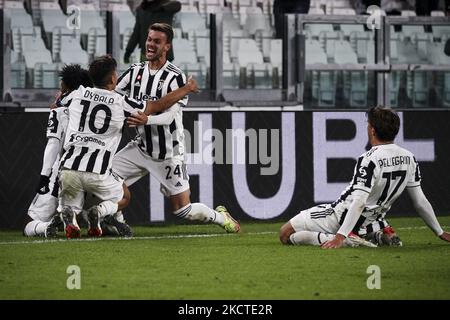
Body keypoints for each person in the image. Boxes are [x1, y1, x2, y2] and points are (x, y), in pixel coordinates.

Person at [114, 23, 240, 233]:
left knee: (183, 210)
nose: (150, 45)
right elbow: (112, 95)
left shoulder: (176, 77)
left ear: (167, 47)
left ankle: (220, 216)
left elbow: (170, 117)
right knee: (105, 176)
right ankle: (116, 219)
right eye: (149, 39)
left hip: (168, 154)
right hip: (141, 147)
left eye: (157, 41)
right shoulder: (135, 72)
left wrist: (147, 120)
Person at [57, 55, 199, 239]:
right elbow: (156, 105)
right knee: (124, 196)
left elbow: (58, 102)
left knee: (73, 205)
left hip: (68, 169)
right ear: (113, 79)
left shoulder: (77, 94)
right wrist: (187, 88)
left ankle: (70, 217)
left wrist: (61, 97)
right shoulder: (120, 102)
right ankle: (99, 212)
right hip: (96, 171)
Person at [279, 106, 450, 249]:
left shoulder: (369, 159)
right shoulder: (409, 158)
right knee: (366, 221)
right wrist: (439, 232)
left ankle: (349, 238)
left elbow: (359, 202)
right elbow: (420, 201)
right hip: (374, 218)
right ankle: (375, 234)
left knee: (286, 234)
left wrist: (340, 236)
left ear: (372, 130)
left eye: (368, 124)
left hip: (340, 216)